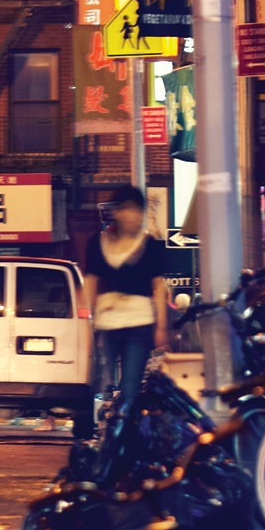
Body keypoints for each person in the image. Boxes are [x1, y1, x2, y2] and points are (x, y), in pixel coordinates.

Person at [79, 183, 172, 441]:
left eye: (138, 210)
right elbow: (90, 283)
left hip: (139, 322)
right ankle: (113, 433)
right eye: (129, 209)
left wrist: (161, 326)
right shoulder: (97, 243)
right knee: (107, 384)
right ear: (117, 213)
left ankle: (124, 438)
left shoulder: (150, 245)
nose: (134, 216)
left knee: (130, 386)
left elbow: (158, 286)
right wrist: (88, 322)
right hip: (107, 323)